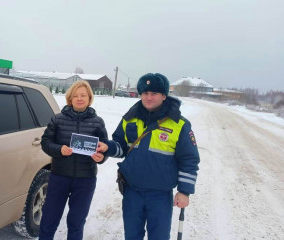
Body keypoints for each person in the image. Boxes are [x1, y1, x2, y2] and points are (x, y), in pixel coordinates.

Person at [97, 73, 200, 240]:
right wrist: (107, 147)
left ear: (164, 96)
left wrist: (184, 191)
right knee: (131, 236)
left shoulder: (179, 125)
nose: (149, 97)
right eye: (145, 93)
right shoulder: (130, 119)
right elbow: (121, 146)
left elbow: (189, 159)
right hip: (132, 192)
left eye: (154, 93)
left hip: (160, 195)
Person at [39, 80, 108, 240]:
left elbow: (104, 146)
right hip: (59, 177)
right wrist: (59, 149)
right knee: (49, 220)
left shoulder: (97, 122)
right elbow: (45, 142)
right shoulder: (57, 119)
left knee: (76, 223)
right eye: (75, 95)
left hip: (85, 180)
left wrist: (101, 157)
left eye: (83, 95)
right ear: (70, 98)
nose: (79, 98)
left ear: (89, 98)